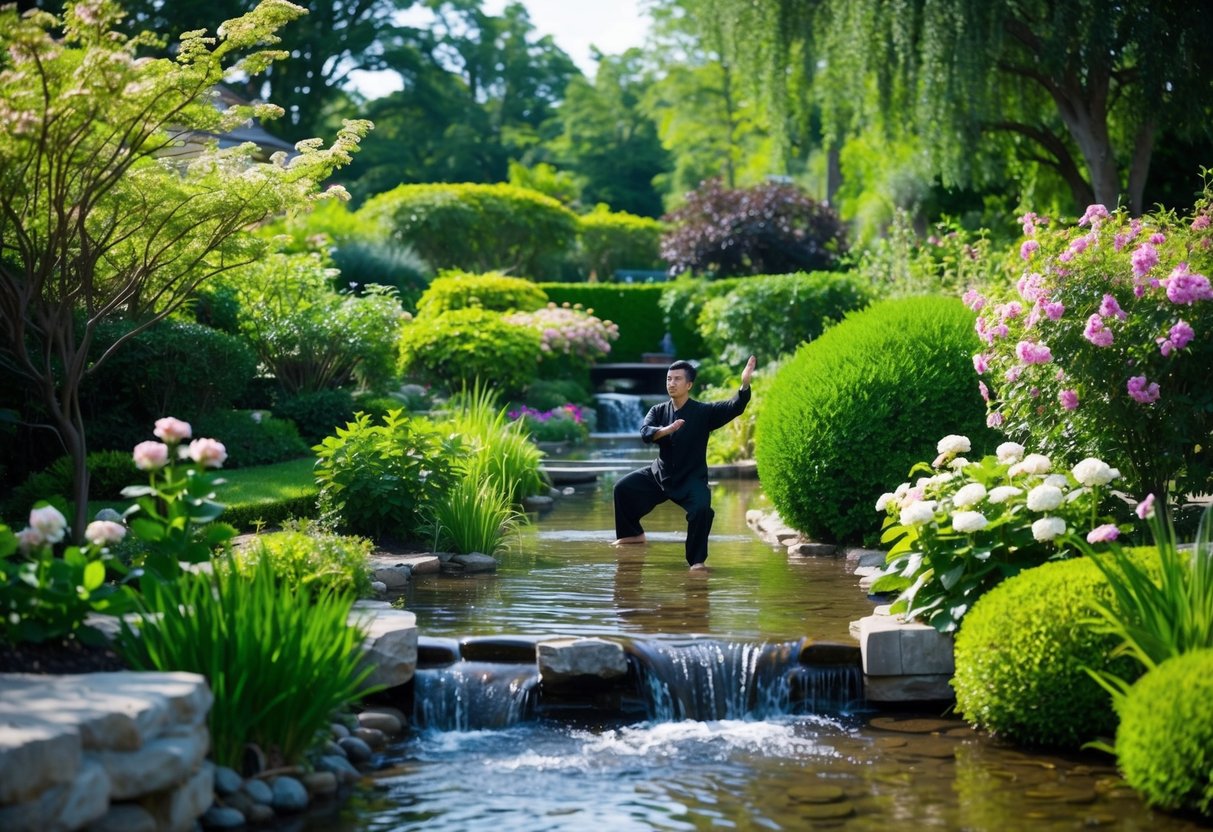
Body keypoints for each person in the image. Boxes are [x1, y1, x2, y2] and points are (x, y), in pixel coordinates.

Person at [612, 355, 756, 570]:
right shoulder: (658, 410)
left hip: (691, 478)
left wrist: (744, 384)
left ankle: (697, 562)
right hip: (659, 474)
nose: (671, 383)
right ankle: (632, 535)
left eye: (677, 379)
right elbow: (645, 433)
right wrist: (667, 430)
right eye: (669, 379)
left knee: (702, 510)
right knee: (622, 489)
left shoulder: (704, 412)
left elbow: (734, 406)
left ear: (689, 384)